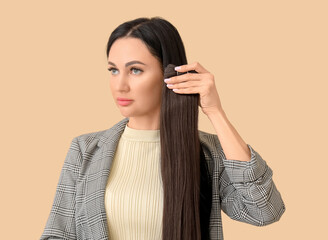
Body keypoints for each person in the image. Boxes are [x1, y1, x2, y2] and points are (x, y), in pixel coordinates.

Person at [40, 16, 285, 240]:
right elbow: (57, 235)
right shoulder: (85, 150)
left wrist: (215, 112)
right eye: (113, 70)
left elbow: (264, 211)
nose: (120, 85)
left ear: (169, 74)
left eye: (135, 70)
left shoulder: (209, 154)